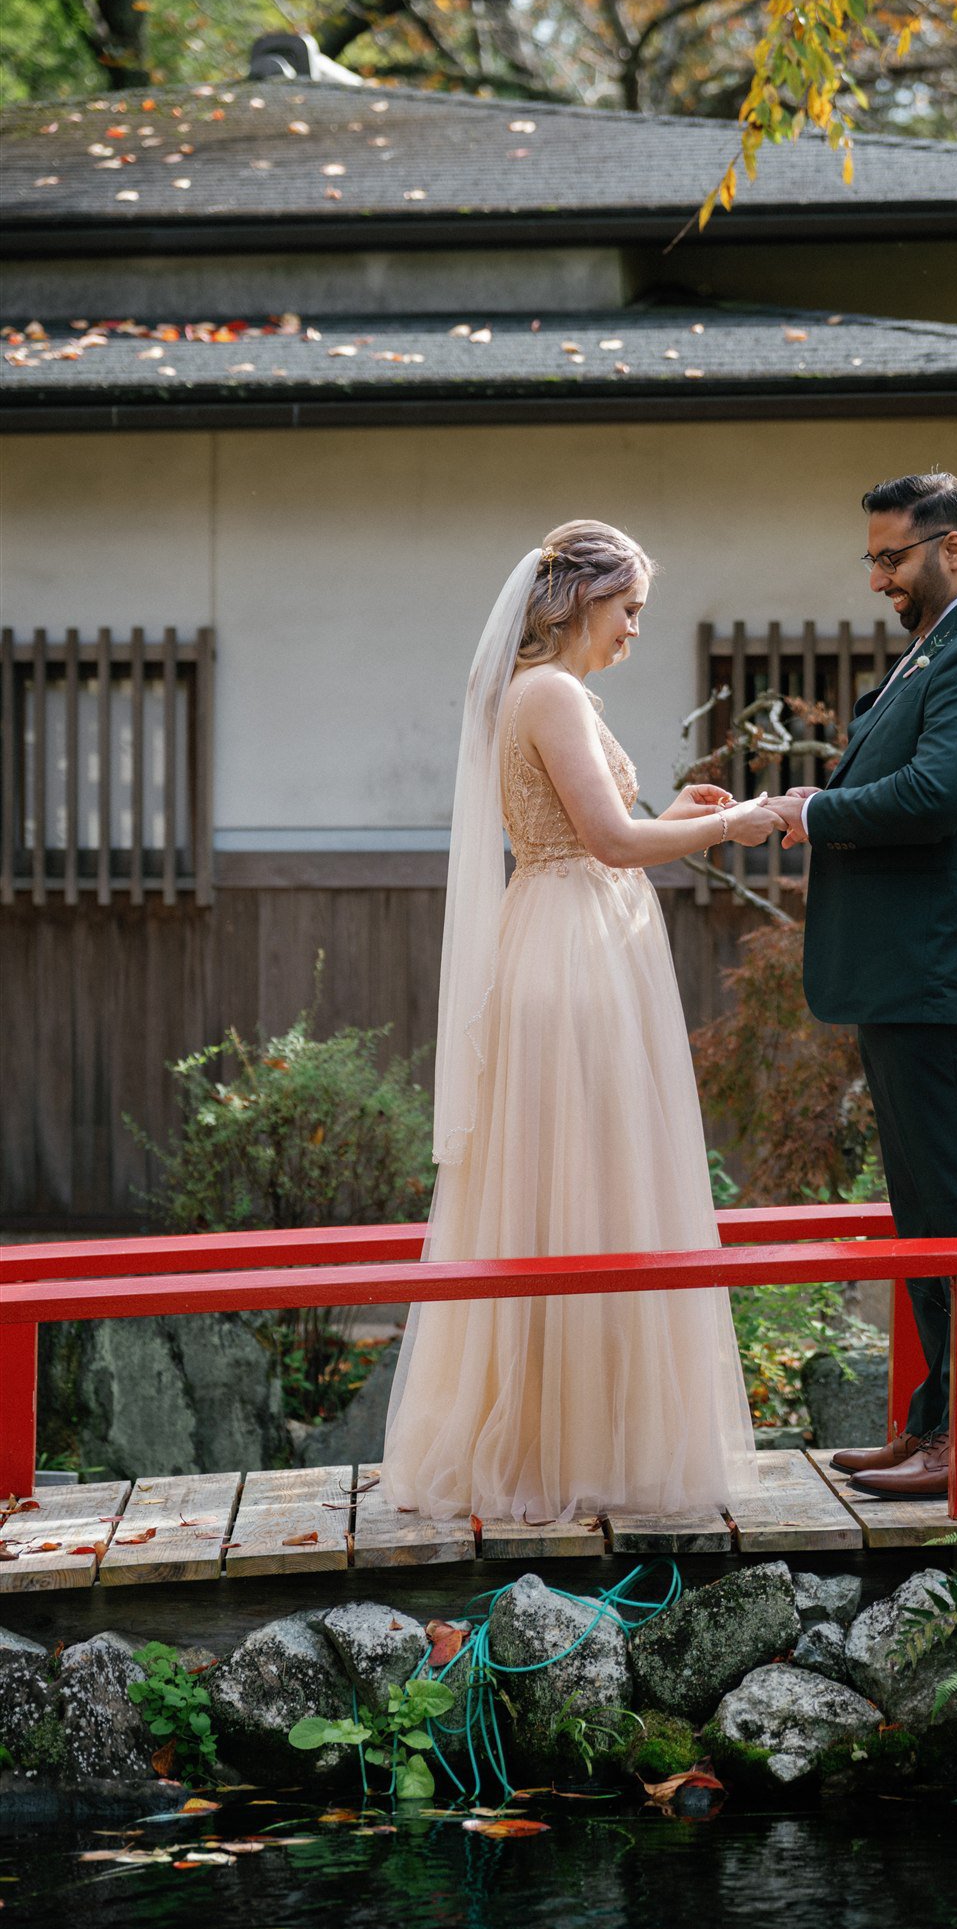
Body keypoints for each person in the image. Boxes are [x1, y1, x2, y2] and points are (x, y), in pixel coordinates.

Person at [382, 521, 773, 1524]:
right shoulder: (549, 691)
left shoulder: (546, 692)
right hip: (569, 948)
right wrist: (728, 823)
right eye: (628, 609)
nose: (636, 629)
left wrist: (679, 807)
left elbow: (608, 822)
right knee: (583, 1188)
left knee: (586, 1187)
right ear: (580, 599)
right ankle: (559, 1445)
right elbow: (604, 837)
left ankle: (567, 1433)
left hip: (573, 929)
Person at [767, 473, 957, 1499]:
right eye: (874, 559)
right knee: (927, 1214)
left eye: (892, 558)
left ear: (952, 547)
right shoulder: (945, 641)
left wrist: (813, 811)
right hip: (915, 972)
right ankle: (931, 1419)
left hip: (952, 970)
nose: (880, 578)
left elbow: (938, 795)